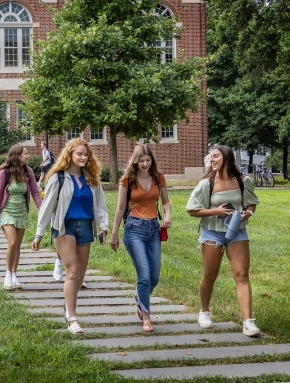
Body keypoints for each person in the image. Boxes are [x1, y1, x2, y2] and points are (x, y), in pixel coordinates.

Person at [33, 138, 108, 334]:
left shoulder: (92, 179)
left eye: (86, 154)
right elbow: (47, 207)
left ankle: (68, 307)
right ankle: (73, 319)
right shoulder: (58, 178)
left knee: (80, 276)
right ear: (70, 156)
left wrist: (103, 227)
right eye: (79, 154)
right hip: (64, 227)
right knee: (72, 271)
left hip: (85, 227)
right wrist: (39, 234)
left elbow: (100, 206)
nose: (83, 157)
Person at [186, 145, 260, 336]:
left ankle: (248, 322)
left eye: (216, 156)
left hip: (237, 231)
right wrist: (214, 211)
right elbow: (192, 210)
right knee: (210, 275)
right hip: (212, 232)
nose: (212, 159)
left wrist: (247, 213)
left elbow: (251, 203)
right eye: (211, 157)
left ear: (226, 158)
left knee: (242, 275)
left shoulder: (244, 181)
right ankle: (204, 312)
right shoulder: (206, 184)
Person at [110, 144, 171, 333]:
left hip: (153, 228)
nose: (145, 163)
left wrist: (167, 215)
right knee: (143, 276)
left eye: (148, 160)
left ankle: (139, 296)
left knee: (154, 276)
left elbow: (165, 202)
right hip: (134, 229)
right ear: (135, 161)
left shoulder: (158, 178)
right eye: (141, 160)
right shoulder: (127, 180)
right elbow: (120, 208)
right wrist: (114, 234)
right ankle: (146, 316)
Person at [0, 145, 42, 290]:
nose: (28, 156)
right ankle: (8, 275)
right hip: (7, 212)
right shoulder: (4, 173)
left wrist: (41, 208)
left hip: (22, 212)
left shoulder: (28, 171)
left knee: (18, 246)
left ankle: (14, 274)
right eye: (26, 154)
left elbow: (35, 191)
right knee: (12, 243)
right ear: (17, 156)